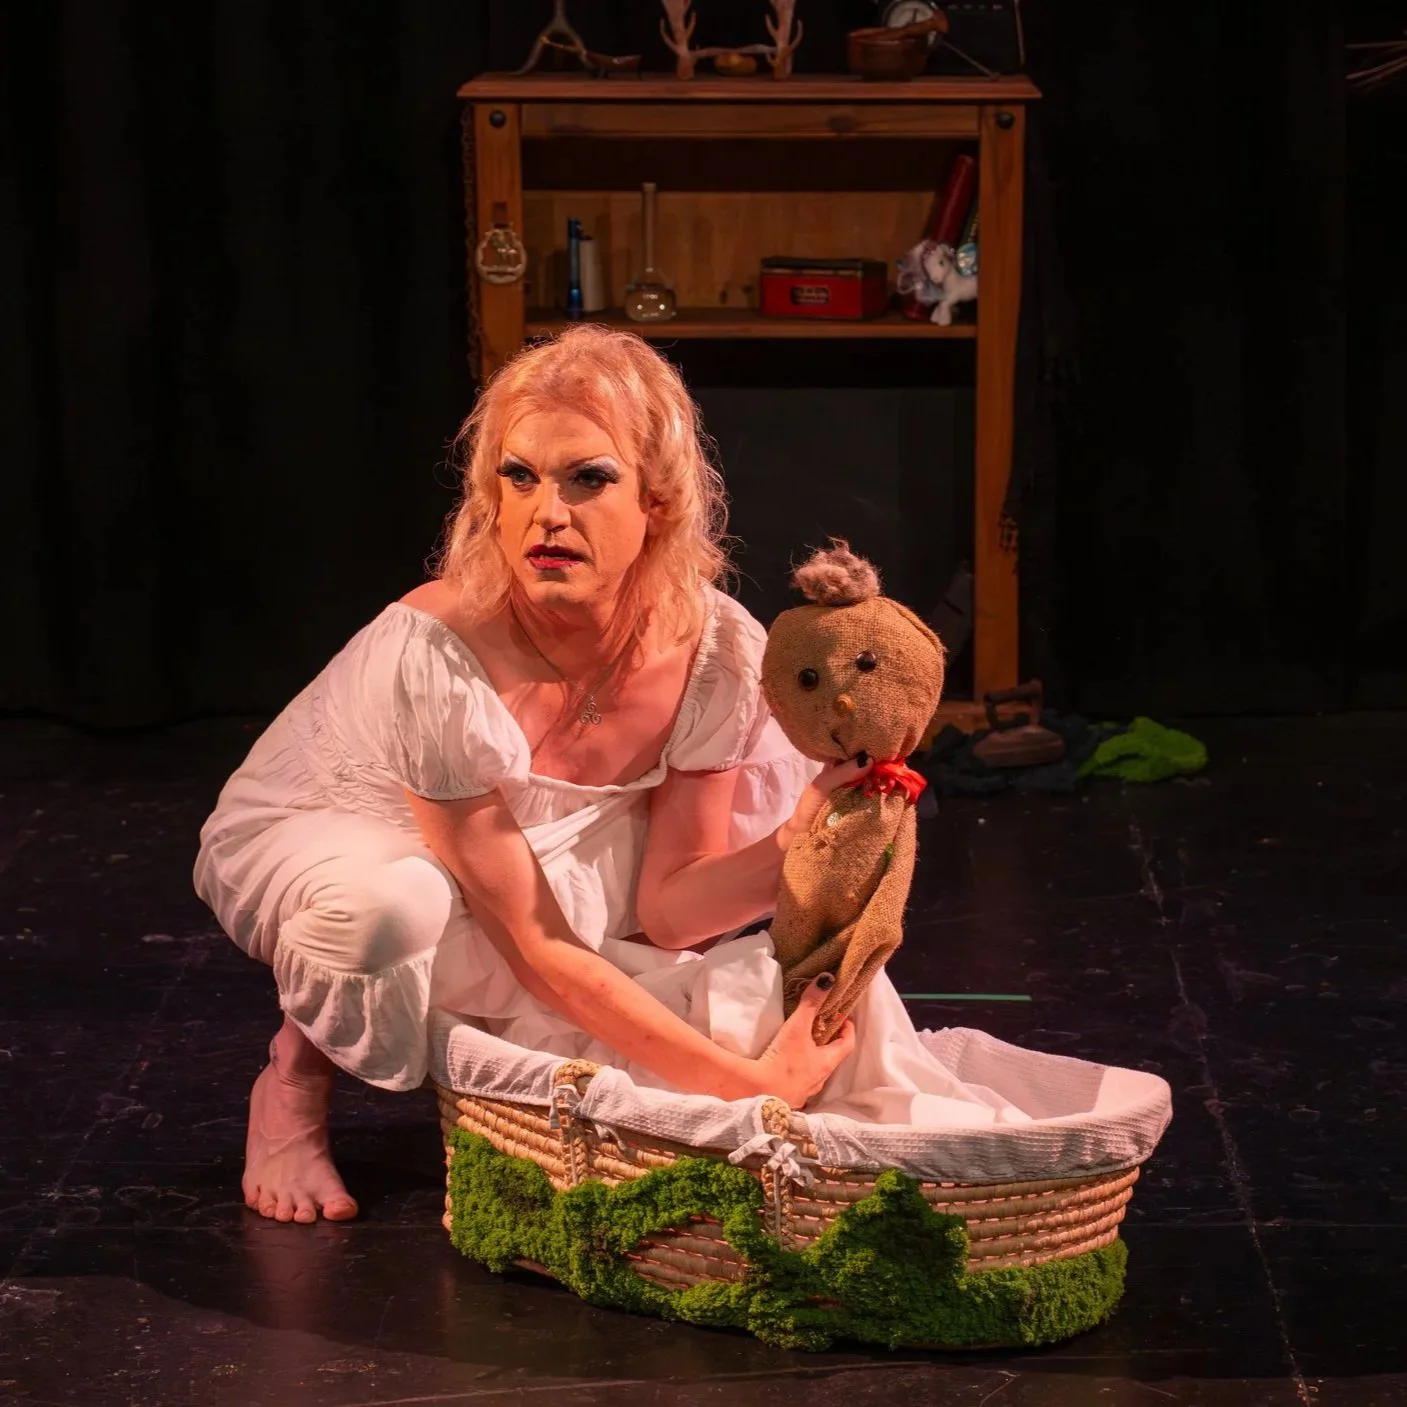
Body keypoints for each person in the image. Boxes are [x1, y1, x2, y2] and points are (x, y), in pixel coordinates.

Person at [194, 324, 863, 1226]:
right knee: (393, 913)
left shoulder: (716, 651)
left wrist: (800, 840)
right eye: (519, 477)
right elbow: (534, 940)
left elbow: (671, 910)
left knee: (622, 946)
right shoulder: (434, 650)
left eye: (588, 478)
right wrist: (748, 1086)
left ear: (657, 500)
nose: (548, 512)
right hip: (352, 825)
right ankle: (293, 1075)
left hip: (541, 843)